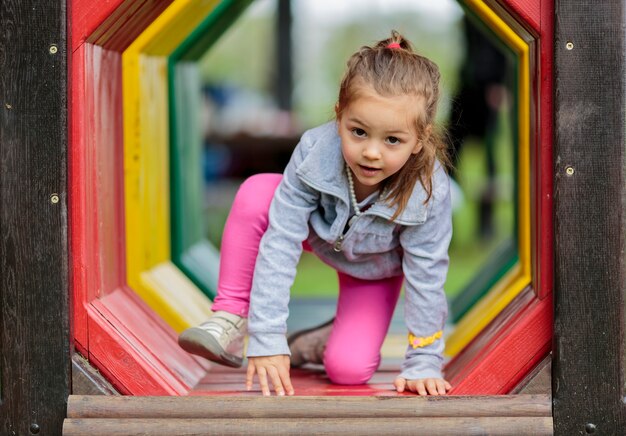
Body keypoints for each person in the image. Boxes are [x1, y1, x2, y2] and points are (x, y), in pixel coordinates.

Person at [179, 30, 453, 397]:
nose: (371, 152)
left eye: (392, 140)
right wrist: (267, 337)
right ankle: (230, 316)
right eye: (358, 132)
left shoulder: (427, 191)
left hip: (375, 268)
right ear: (339, 117)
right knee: (259, 192)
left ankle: (318, 341)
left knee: (349, 370)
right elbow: (280, 243)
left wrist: (424, 361)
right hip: (317, 233)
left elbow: (426, 276)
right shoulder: (315, 153)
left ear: (419, 139)